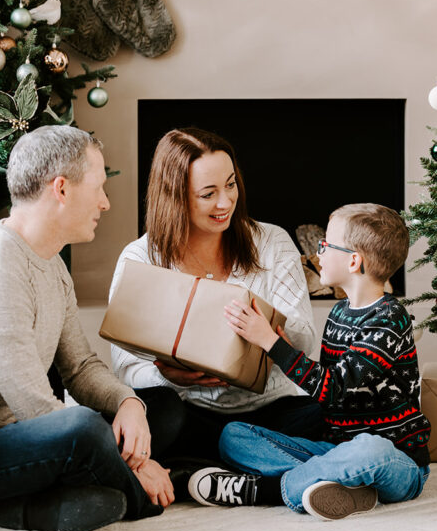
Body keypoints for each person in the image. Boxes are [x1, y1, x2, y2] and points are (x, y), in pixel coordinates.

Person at [0, 126, 175, 531]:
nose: (105, 202)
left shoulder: (49, 261)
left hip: (9, 437)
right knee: (82, 430)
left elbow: (79, 366)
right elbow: (35, 407)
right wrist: (137, 465)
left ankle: (47, 500)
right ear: (61, 189)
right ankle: (138, 492)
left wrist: (129, 404)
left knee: (163, 407)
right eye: (98, 187)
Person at [187, 203, 431, 520]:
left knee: (371, 449)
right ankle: (336, 484)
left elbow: (333, 388)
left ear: (354, 261)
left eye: (326, 246)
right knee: (233, 435)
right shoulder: (339, 314)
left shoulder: (389, 319)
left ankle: (266, 491)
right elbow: (328, 387)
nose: (319, 254)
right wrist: (282, 348)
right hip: (335, 450)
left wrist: (271, 343)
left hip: (397, 461)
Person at [108, 127, 321, 464]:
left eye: (231, 184)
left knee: (338, 414)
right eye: (208, 194)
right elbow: (124, 368)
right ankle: (260, 466)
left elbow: (307, 345)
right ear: (175, 196)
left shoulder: (272, 241)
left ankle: (209, 472)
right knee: (151, 415)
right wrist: (166, 375)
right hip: (190, 412)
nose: (226, 202)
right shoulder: (139, 259)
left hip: (272, 410)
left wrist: (266, 333)